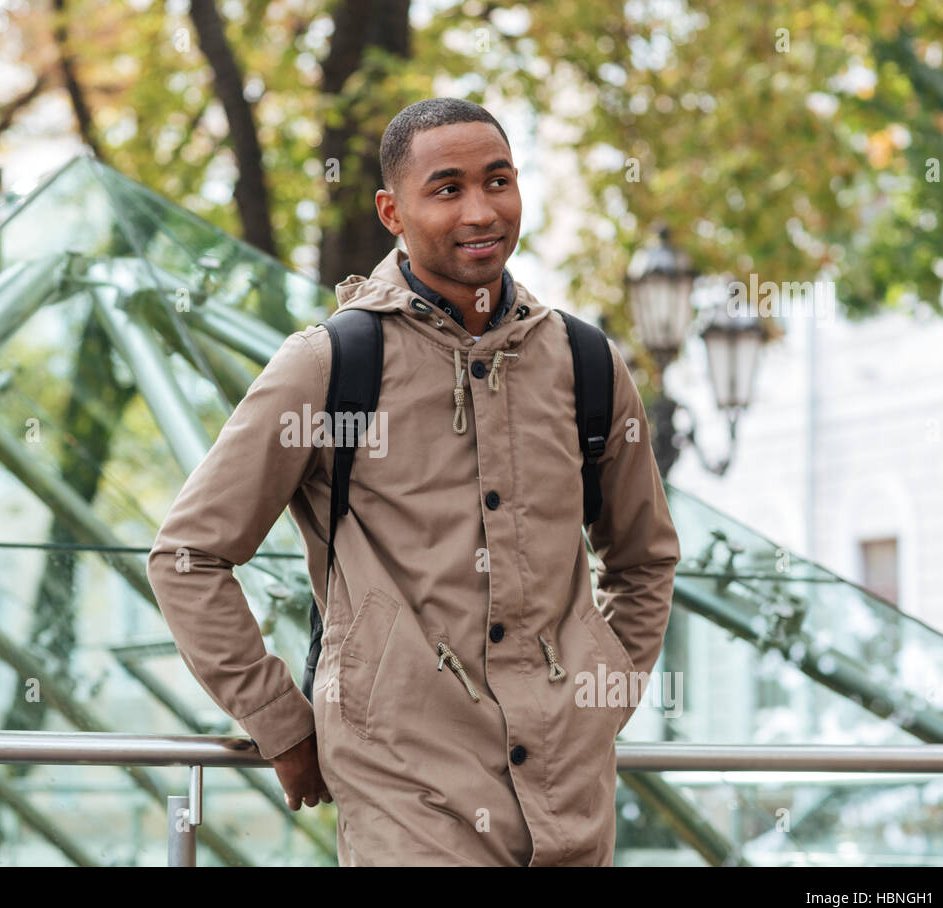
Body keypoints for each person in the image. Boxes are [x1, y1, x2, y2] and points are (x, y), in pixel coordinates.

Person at [146, 96, 680, 866]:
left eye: (499, 181)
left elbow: (644, 558)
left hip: (574, 813)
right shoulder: (329, 365)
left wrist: (603, 696)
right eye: (448, 188)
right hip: (409, 810)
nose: (481, 210)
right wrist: (285, 725)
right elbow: (188, 556)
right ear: (392, 212)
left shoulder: (587, 363)